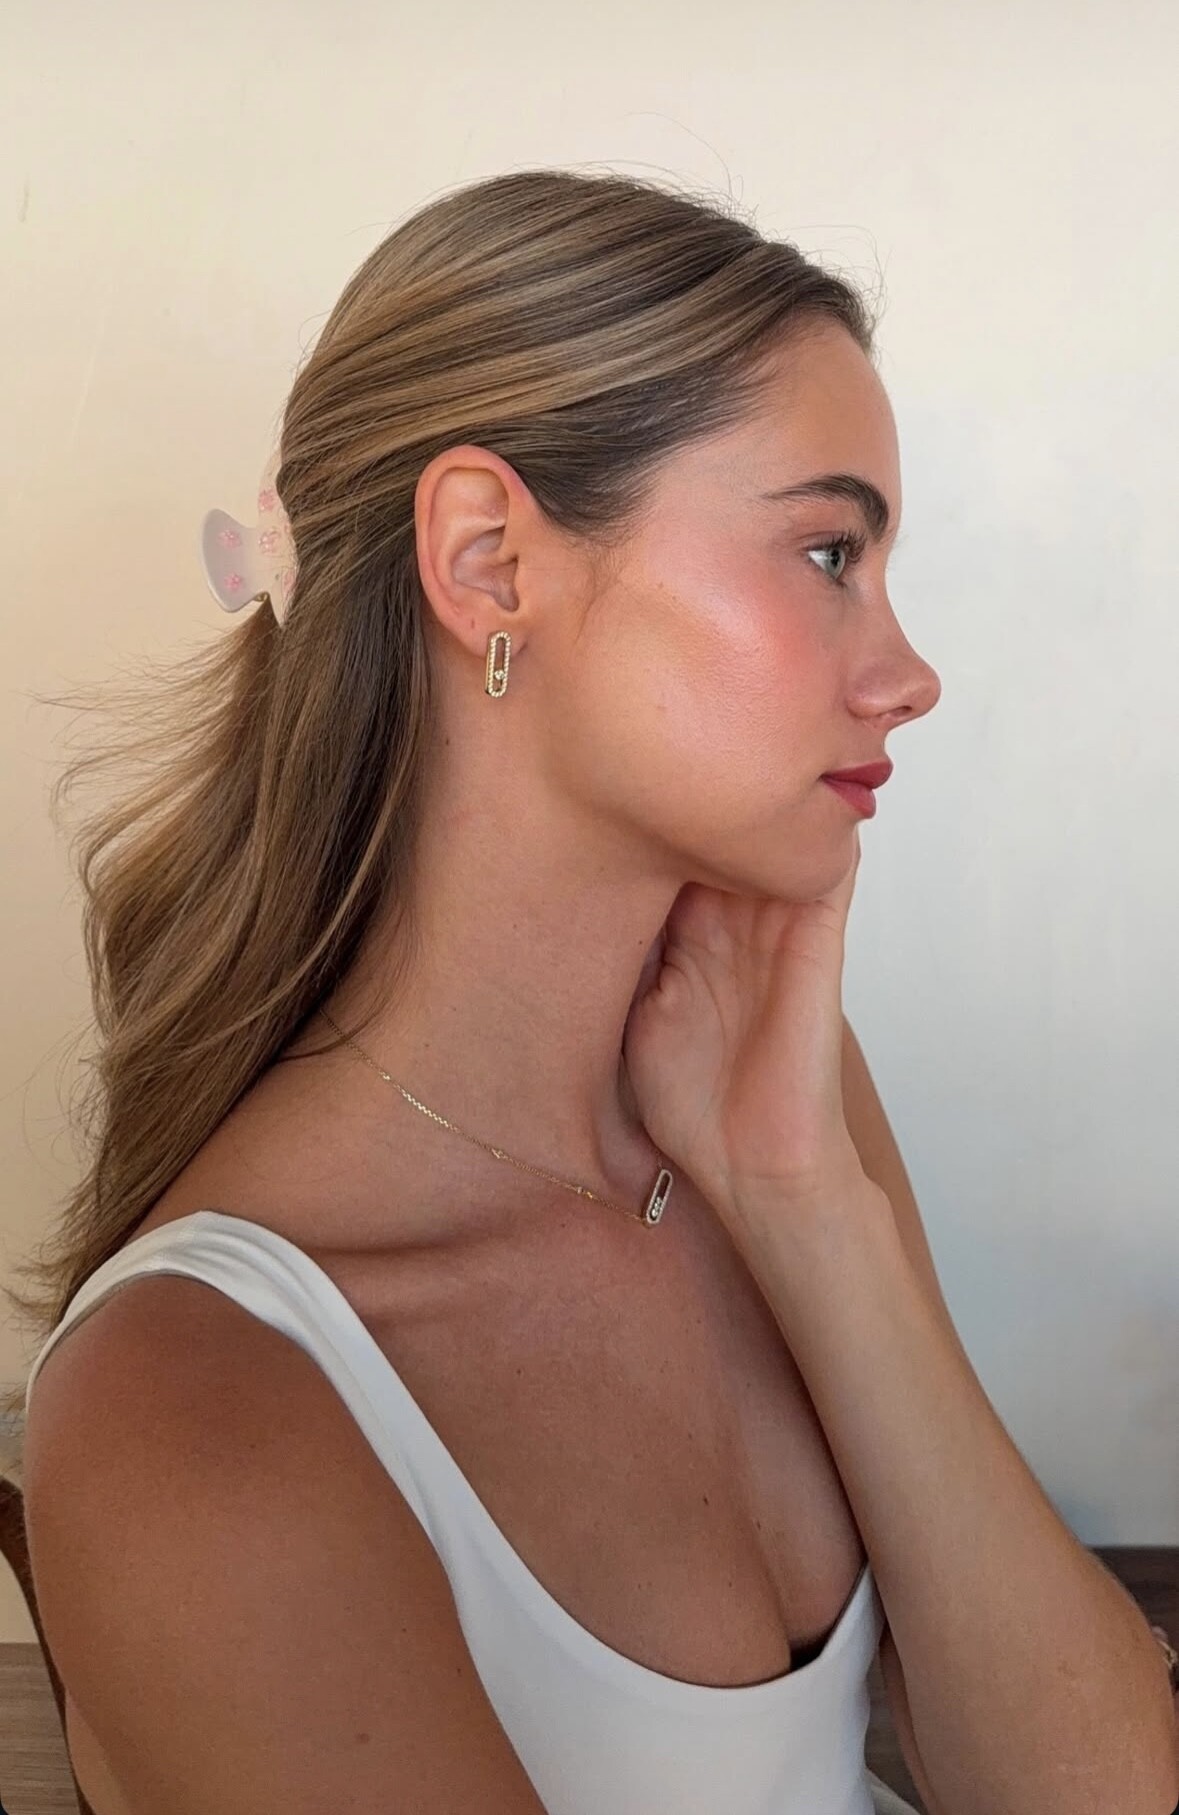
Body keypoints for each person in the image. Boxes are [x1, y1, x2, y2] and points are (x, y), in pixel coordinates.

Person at [10, 168, 1179, 1815]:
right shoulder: (197, 1404)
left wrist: (808, 1208)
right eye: (827, 551)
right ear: (488, 560)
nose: (909, 675)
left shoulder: (780, 1098)